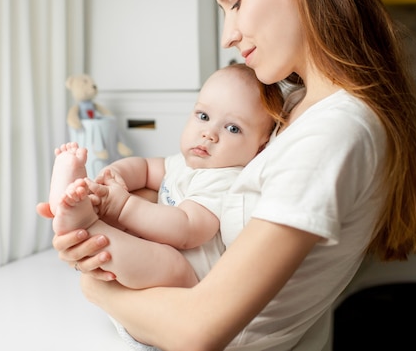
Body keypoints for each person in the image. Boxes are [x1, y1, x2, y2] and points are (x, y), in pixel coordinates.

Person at [41, 0, 416, 349]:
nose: (227, 36)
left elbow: (198, 331)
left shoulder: (333, 132)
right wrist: (108, 212)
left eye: (235, 3)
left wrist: (95, 285)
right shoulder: (293, 108)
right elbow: (193, 191)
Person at [40, 63, 277, 289]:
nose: (209, 134)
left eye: (233, 128)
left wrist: (123, 205)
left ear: (260, 148)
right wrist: (114, 174)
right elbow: (144, 168)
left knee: (167, 259)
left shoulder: (225, 179)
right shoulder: (185, 164)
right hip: (147, 258)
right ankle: (82, 194)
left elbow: (187, 229)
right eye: (203, 116)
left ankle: (84, 223)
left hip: (188, 278)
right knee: (132, 216)